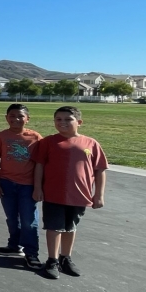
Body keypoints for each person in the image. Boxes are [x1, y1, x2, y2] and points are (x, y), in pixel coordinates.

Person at [32, 106, 108, 280]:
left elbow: (100, 170)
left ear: (79, 122)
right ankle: (52, 260)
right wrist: (37, 188)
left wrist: (99, 195)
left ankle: (65, 258)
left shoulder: (91, 143)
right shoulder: (48, 142)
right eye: (58, 119)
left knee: (70, 227)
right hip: (53, 193)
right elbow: (39, 166)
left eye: (68, 119)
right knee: (54, 227)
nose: (62, 123)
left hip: (79, 195)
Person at [0, 104, 43, 268]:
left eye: (20, 116)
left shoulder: (35, 138)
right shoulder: (1, 136)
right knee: (12, 218)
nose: (16, 119)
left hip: (27, 185)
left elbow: (40, 164)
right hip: (6, 183)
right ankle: (14, 245)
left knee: (28, 220)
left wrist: (38, 187)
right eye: (12, 116)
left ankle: (31, 253)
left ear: (28, 118)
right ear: (6, 118)